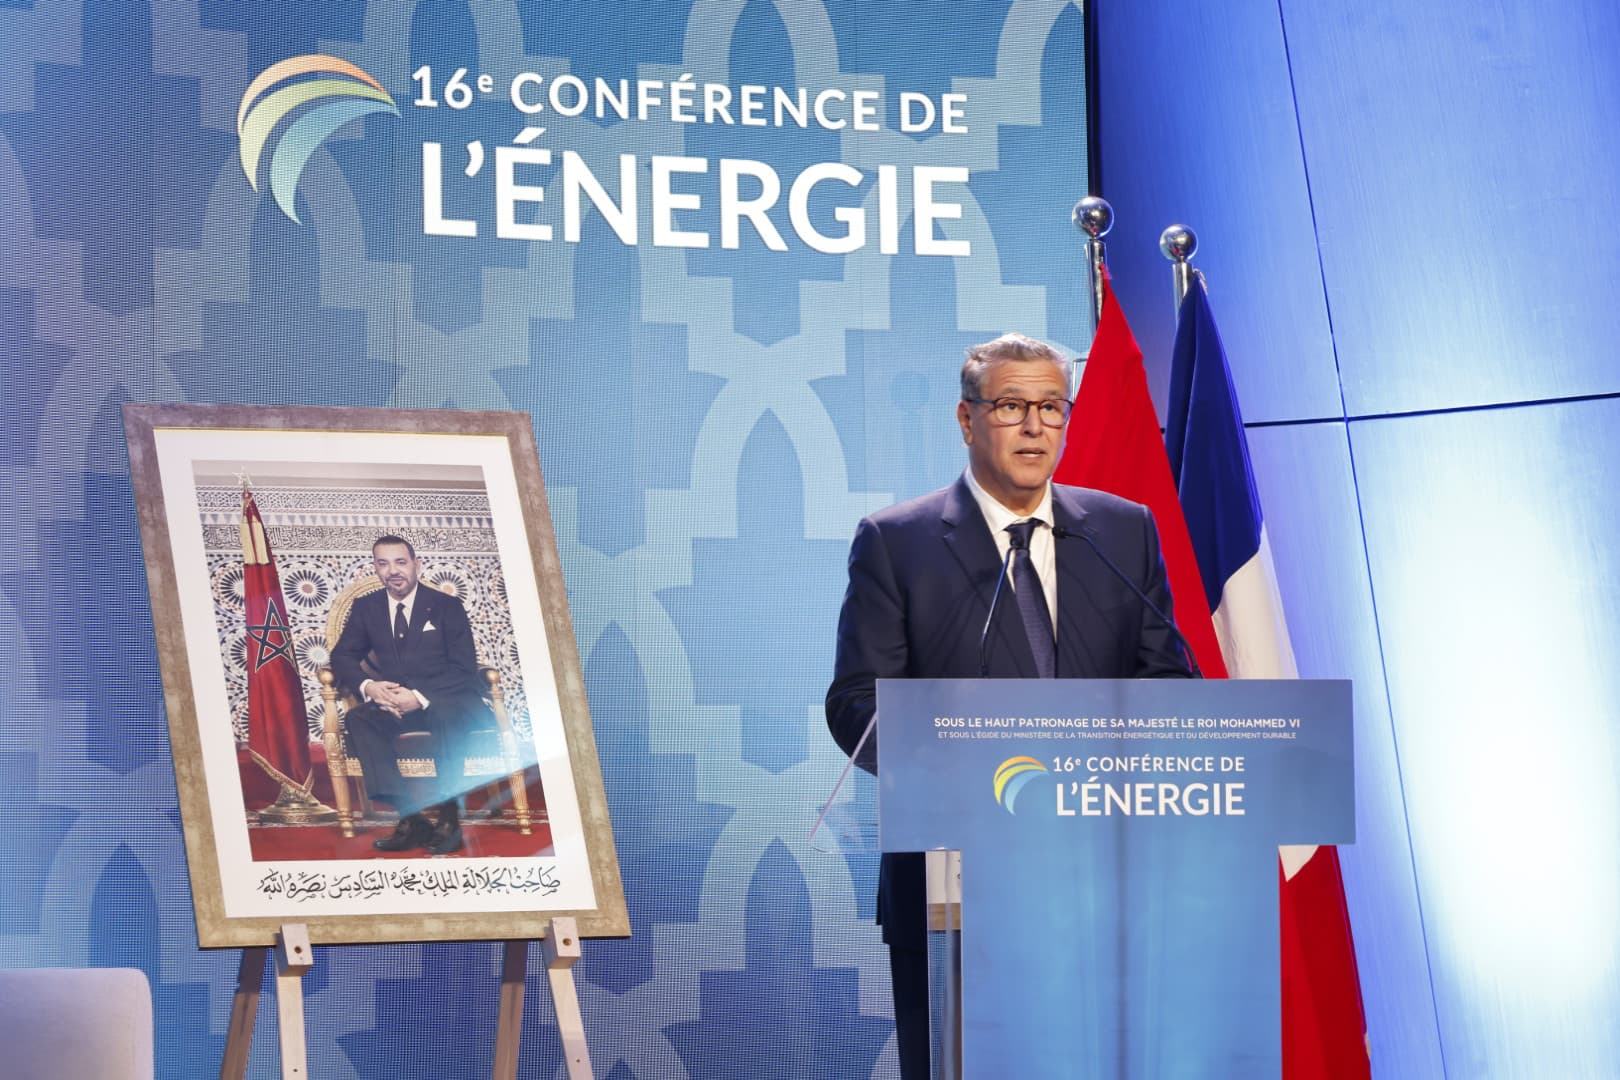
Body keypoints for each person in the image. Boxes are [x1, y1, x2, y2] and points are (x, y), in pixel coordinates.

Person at [825, 332, 1192, 1078]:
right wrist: (967, 762)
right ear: (967, 419)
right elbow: (856, 705)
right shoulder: (898, 542)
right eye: (1011, 406)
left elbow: (1168, 685)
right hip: (955, 880)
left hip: (1105, 873)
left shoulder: (1123, 531)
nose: (1034, 427)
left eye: (1052, 407)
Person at [331, 535, 490, 856]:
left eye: (400, 562)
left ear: (417, 565)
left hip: (449, 698)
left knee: (445, 714)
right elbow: (342, 656)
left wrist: (418, 697)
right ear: (375, 568)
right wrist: (370, 687)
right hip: (396, 703)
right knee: (360, 718)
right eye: (383, 563)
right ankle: (410, 816)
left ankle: (449, 818)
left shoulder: (447, 606)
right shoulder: (367, 608)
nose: (393, 570)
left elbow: (463, 668)